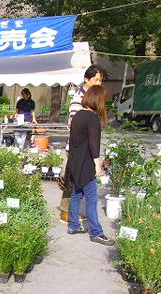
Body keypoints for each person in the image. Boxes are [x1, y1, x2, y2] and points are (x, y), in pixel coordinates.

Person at [66, 85, 114, 246]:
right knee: (92, 199)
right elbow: (94, 145)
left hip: (74, 161)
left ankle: (73, 226)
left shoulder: (78, 115)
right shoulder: (92, 118)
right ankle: (97, 233)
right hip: (86, 163)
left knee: (76, 195)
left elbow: (72, 141)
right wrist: (97, 166)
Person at [60, 64, 104, 224]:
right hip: (77, 146)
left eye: (100, 80)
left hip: (84, 147)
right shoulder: (79, 99)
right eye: (95, 80)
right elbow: (75, 127)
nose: (98, 83)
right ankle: (66, 212)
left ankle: (71, 217)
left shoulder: (90, 98)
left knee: (78, 182)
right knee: (73, 179)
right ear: (86, 79)